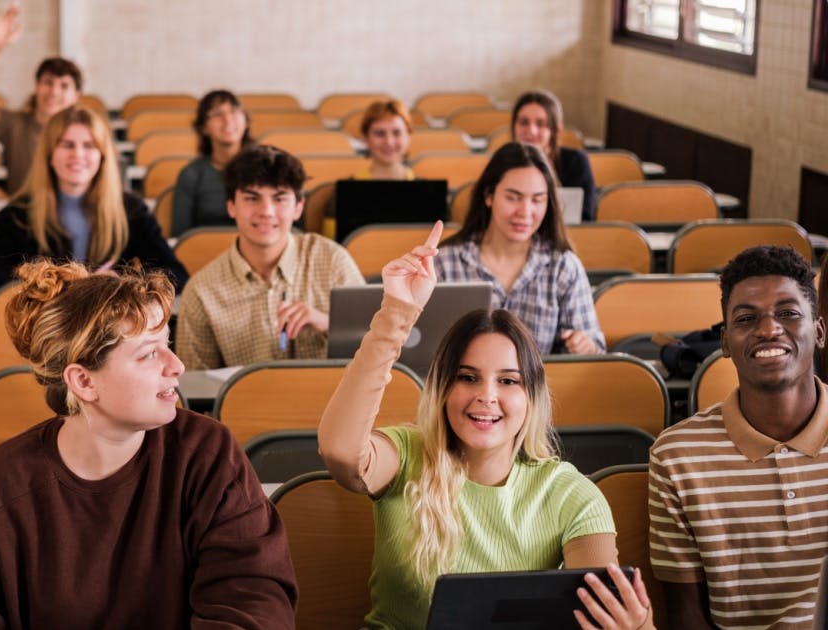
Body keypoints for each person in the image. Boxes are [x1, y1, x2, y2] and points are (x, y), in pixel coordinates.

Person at [0, 260, 297, 628]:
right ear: (84, 382)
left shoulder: (207, 453)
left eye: (167, 344)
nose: (177, 365)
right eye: (149, 353)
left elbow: (253, 600)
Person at [318, 222, 653, 630]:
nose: (486, 396)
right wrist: (395, 316)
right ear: (442, 388)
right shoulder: (406, 453)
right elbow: (339, 450)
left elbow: (605, 612)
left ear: (531, 398)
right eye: (468, 377)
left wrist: (635, 627)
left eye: (508, 381)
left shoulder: (570, 494)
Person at [650, 245, 828, 629]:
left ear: (819, 331)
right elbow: (686, 614)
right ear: (726, 343)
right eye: (747, 319)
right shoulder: (677, 456)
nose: (768, 329)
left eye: (788, 314)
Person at [176, 144, 364, 370]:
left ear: (298, 207)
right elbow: (194, 387)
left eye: (279, 198)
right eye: (252, 198)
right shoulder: (201, 292)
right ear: (231, 207)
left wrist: (327, 324)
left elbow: (379, 348)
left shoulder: (334, 261)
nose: (266, 211)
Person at [0, 105, 186, 299]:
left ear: (102, 156)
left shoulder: (132, 211)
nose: (78, 154)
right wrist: (57, 286)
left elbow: (176, 276)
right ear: (49, 154)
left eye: (89, 145)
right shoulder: (19, 214)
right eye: (67, 145)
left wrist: (122, 283)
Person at [436, 142, 604, 355]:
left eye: (537, 200)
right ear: (489, 196)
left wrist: (585, 346)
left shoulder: (564, 267)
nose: (525, 212)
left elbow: (596, 354)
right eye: (513, 198)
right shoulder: (445, 262)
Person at [0, 4, 83, 194]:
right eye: (48, 82)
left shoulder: (83, 135)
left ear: (76, 97)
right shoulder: (15, 124)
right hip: (22, 217)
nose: (54, 92)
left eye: (64, 86)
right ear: (36, 86)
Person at [170, 89, 254, 238]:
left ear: (245, 121)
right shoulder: (191, 174)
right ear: (204, 127)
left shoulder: (265, 170)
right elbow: (181, 237)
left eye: (234, 111)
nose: (227, 120)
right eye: (217, 114)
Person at [511, 90, 596, 222]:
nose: (531, 131)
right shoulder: (503, 162)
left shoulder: (576, 161)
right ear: (514, 127)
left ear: (555, 130)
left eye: (540, 124)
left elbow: (585, 219)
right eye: (524, 122)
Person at [356, 99, 414, 180]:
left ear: (409, 137)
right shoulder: (343, 191)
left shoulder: (427, 191)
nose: (389, 142)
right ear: (365, 139)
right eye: (380, 133)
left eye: (397, 133)